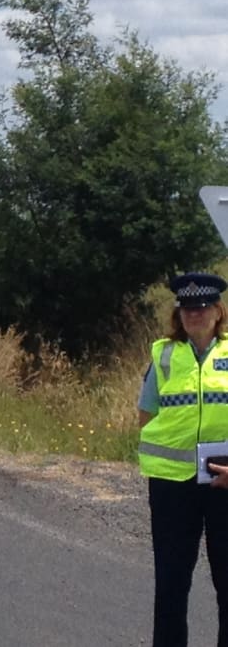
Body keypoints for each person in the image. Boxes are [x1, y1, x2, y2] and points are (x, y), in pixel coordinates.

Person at [138, 271, 228, 646]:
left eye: (203, 306)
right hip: (173, 486)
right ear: (179, 314)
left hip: (226, 482)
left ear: (218, 311)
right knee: (172, 585)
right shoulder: (164, 354)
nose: (196, 313)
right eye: (188, 307)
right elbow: (146, 416)